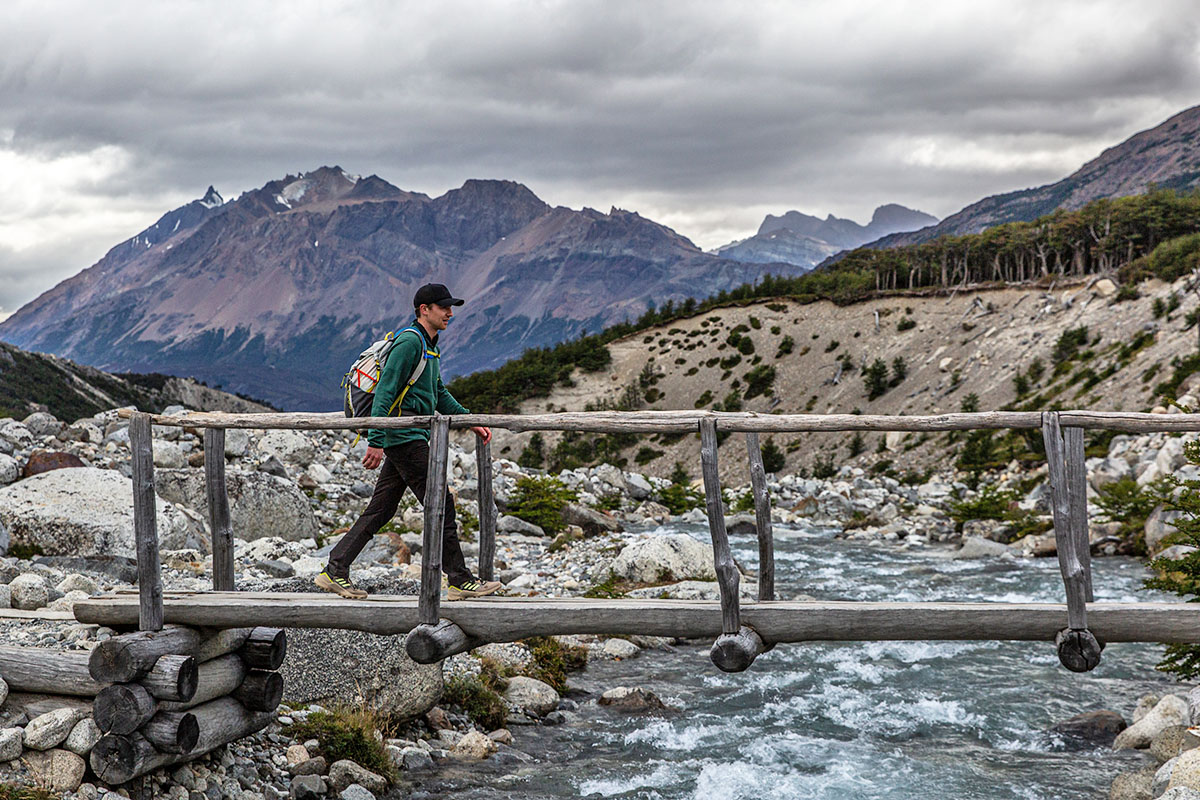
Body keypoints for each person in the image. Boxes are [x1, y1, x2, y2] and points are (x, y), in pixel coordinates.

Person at [316, 283, 502, 601]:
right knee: (441, 502)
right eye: (443, 307)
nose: (450, 312)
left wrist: (469, 420)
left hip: (406, 436)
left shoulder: (430, 345)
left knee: (382, 509)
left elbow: (438, 392)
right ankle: (459, 579)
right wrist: (375, 438)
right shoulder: (409, 342)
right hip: (403, 436)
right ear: (424, 310)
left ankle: (335, 569)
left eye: (450, 307)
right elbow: (387, 389)